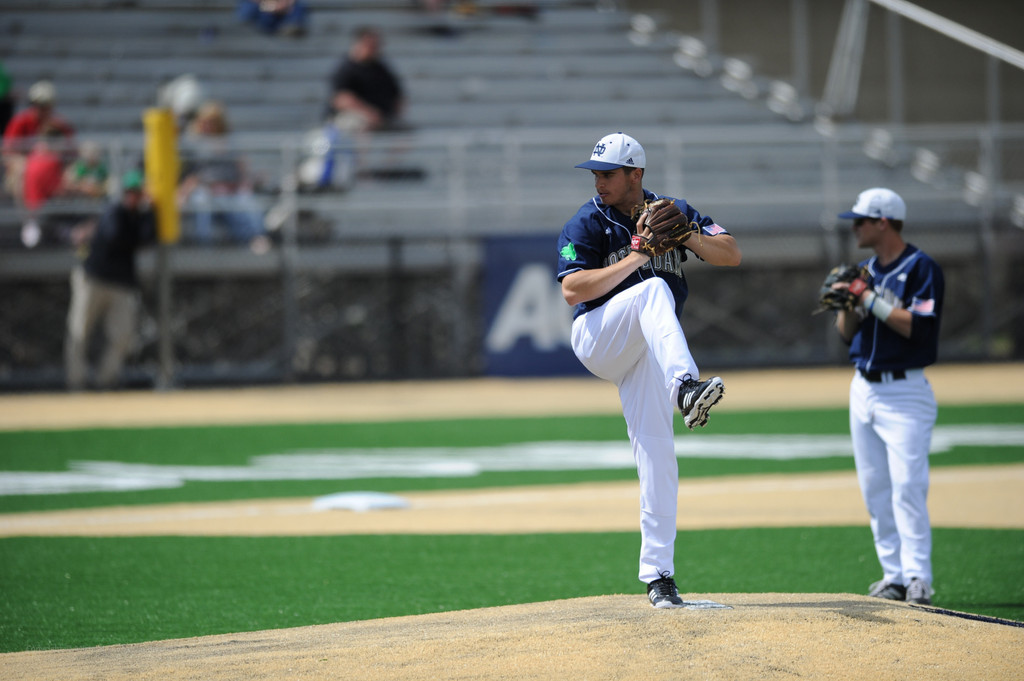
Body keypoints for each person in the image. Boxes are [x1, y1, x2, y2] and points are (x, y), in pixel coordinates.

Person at [556, 132, 742, 608]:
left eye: (608, 173)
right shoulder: (588, 220)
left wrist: (689, 236)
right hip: (599, 337)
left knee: (658, 457)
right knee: (653, 289)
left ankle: (659, 577)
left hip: (646, 350)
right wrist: (640, 255)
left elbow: (731, 253)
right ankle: (685, 387)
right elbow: (573, 289)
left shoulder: (673, 210)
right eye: (595, 173)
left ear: (636, 174)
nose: (599, 181)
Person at [830, 187, 944, 606]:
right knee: (875, 487)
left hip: (906, 392)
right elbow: (847, 335)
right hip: (863, 388)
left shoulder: (920, 267)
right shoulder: (863, 271)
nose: (855, 227)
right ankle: (893, 574)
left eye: (860, 220)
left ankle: (919, 577)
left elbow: (918, 326)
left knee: (908, 487)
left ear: (883, 222)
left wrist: (868, 299)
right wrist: (846, 302)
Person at [65, 170, 157, 391]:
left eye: (136, 193)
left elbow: (147, 238)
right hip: (93, 279)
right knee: (79, 332)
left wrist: (151, 211)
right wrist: (140, 222)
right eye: (129, 192)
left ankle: (105, 380)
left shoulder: (139, 215)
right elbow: (118, 237)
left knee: (123, 335)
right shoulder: (114, 212)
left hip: (120, 284)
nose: (132, 197)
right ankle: (76, 382)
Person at [177, 101, 269, 252]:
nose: (208, 126)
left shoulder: (231, 142)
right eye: (205, 122)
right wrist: (184, 193)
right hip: (207, 189)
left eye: (212, 122)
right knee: (201, 201)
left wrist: (247, 183)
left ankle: (255, 239)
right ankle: (204, 248)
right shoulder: (194, 144)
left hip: (230, 189)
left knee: (247, 201)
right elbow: (191, 175)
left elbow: (242, 169)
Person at [326, 26, 406, 137]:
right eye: (371, 45)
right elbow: (341, 99)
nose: (375, 48)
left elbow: (397, 95)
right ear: (359, 44)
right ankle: (362, 155)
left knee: (405, 132)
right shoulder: (346, 68)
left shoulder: (381, 68)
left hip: (380, 117)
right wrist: (369, 113)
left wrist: (392, 113)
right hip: (352, 117)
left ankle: (391, 155)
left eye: (377, 45)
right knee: (361, 125)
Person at [2, 80, 74, 201]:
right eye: (37, 104)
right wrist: (28, 162)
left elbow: (71, 153)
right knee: (23, 171)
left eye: (45, 104)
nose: (41, 109)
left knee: (72, 176)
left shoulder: (60, 126)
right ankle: (29, 217)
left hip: (53, 168)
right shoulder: (20, 122)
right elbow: (7, 151)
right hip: (25, 168)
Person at [236, 0, 309, 37]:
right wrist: (270, 5)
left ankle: (292, 27)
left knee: (297, 8)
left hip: (280, 9)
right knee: (249, 8)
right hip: (260, 8)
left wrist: (284, 3)